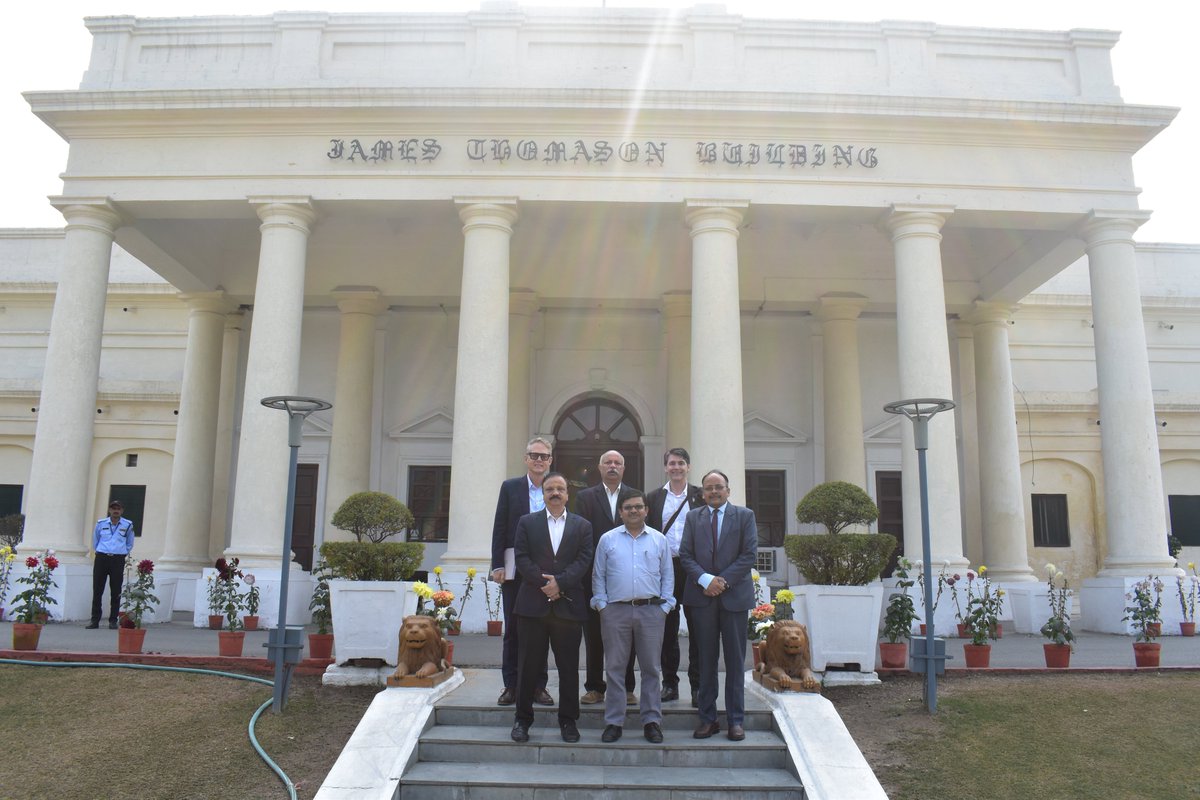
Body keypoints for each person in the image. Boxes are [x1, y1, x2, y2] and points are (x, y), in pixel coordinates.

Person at [510, 472, 593, 744]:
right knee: (528, 668)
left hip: (568, 608)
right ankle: (522, 721)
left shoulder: (582, 526)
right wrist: (544, 583)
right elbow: (521, 557)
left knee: (569, 669)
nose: (555, 493)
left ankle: (568, 721)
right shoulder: (527, 523)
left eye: (560, 488)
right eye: (549, 489)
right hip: (533, 606)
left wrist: (561, 583)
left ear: (568, 494)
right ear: (543, 494)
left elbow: (584, 559)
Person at [679, 469, 757, 742]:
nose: (714, 491)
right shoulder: (692, 518)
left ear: (728, 490)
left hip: (734, 597)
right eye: (708, 488)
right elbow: (685, 554)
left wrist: (722, 582)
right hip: (702, 598)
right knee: (706, 661)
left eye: (719, 487)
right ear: (702, 493)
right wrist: (705, 580)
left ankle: (736, 720)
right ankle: (707, 719)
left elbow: (749, 555)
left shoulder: (745, 516)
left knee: (735, 662)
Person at [591, 490, 674, 744]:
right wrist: (603, 605)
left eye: (638, 506)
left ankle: (651, 721)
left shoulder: (659, 540)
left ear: (646, 510)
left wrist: (665, 606)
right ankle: (614, 722)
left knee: (651, 668)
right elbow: (598, 575)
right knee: (615, 668)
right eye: (628, 507)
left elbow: (668, 576)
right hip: (615, 611)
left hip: (651, 611)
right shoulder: (608, 540)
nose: (634, 511)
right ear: (621, 512)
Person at [490, 437, 554, 706]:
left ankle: (539, 686)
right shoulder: (511, 488)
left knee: (543, 629)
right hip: (515, 569)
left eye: (544, 456)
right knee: (514, 630)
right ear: (526, 459)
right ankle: (511, 686)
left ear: (550, 461)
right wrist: (498, 564)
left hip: (546, 571)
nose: (539, 460)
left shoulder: (556, 487)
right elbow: (500, 527)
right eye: (534, 455)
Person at [574, 449, 637, 705]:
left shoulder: (634, 496)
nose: (612, 466)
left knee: (627, 634)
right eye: (608, 462)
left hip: (627, 575)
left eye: (617, 463)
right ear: (600, 468)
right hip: (593, 575)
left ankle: (627, 687)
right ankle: (595, 687)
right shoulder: (585, 497)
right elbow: (582, 534)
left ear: (623, 468)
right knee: (594, 633)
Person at [645, 447, 706, 706]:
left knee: (697, 630)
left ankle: (698, 686)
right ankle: (669, 683)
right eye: (672, 463)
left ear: (688, 467)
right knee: (666, 631)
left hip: (693, 569)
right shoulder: (654, 497)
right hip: (664, 569)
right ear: (666, 467)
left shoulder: (700, 496)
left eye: (681, 463)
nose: (677, 467)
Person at [87, 500, 135, 629]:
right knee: (97, 589)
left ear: (122, 510)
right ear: (109, 510)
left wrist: (122, 552)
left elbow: (130, 542)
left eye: (118, 508)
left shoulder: (128, 524)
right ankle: (94, 620)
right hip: (102, 558)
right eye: (113, 508)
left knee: (116, 591)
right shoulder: (101, 523)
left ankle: (113, 620)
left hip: (117, 559)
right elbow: (96, 539)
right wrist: (101, 551)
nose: (116, 510)